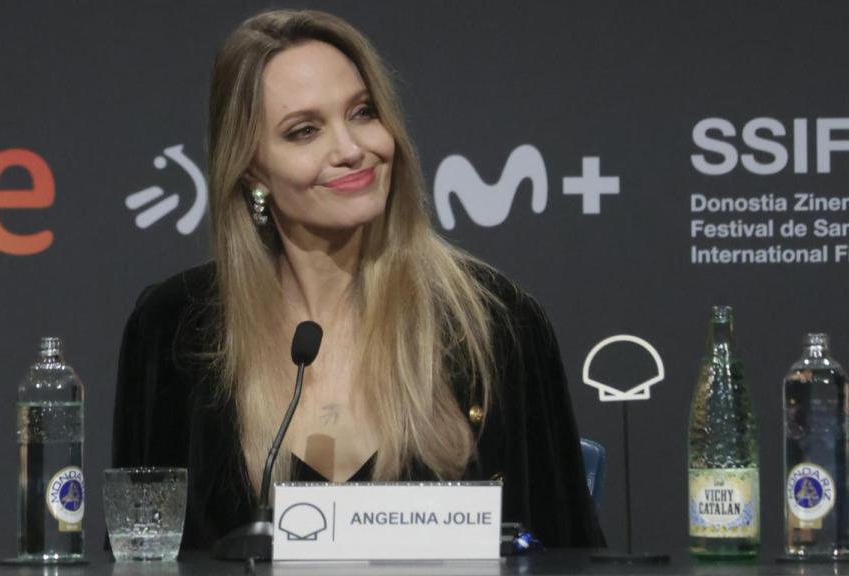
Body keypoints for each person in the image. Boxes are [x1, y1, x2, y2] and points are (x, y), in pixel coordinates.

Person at [113, 9, 605, 551]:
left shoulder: (495, 321)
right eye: (304, 131)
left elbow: (567, 550)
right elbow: (140, 555)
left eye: (363, 112)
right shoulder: (174, 328)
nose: (351, 149)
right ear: (252, 169)